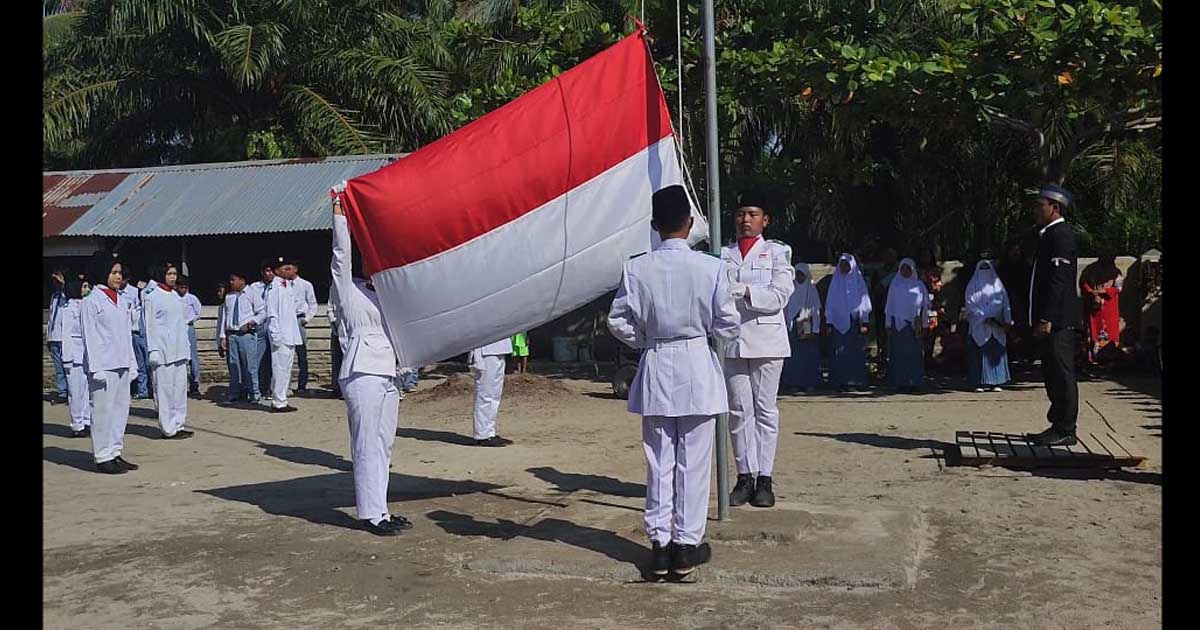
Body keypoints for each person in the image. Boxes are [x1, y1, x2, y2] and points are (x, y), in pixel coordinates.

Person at [607, 184, 740, 579]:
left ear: (654, 226)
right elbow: (729, 323)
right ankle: (686, 545)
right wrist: (707, 335)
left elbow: (617, 321)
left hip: (658, 363)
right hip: (697, 362)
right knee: (694, 462)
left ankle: (660, 545)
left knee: (659, 460)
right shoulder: (712, 267)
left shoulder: (637, 268)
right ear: (691, 222)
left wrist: (646, 339)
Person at [330, 186, 412, 536]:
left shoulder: (389, 292)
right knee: (365, 444)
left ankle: (382, 509)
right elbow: (340, 257)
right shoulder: (349, 290)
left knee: (384, 444)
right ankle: (369, 514)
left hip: (389, 373)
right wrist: (339, 213)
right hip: (362, 368)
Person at [720, 194, 794, 509]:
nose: (745, 220)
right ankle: (744, 475)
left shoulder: (777, 252)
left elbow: (780, 295)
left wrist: (748, 292)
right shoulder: (723, 254)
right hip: (734, 339)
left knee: (765, 410)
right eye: (740, 214)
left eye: (752, 213)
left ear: (765, 220)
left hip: (767, 340)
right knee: (738, 411)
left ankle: (765, 477)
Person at [1026, 184, 1082, 447]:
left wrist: (1047, 317)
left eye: (1041, 206)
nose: (1036, 210)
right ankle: (1057, 423)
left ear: (1055, 207)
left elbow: (1059, 281)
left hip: (1059, 319)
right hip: (1049, 319)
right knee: (1051, 371)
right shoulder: (1047, 235)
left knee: (1062, 372)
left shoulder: (1061, 235)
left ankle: (1066, 428)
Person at [79, 253, 139, 474]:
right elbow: (90, 337)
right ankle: (102, 455)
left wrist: (132, 363)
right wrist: (95, 368)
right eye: (113, 272)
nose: (117, 276)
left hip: (121, 361)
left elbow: (126, 334)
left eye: (119, 273)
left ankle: (115, 451)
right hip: (103, 365)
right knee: (103, 411)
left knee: (120, 410)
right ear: (102, 273)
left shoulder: (121, 300)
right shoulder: (91, 301)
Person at [142, 261, 194, 439]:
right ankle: (168, 427)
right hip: (163, 350)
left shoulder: (175, 295)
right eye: (169, 274)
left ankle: (179, 423)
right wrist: (153, 350)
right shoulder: (152, 296)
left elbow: (181, 324)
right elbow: (149, 325)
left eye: (174, 274)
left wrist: (186, 348)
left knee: (180, 389)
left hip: (179, 349)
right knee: (164, 390)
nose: (173, 277)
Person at [825, 253, 873, 390]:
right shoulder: (835, 281)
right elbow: (830, 301)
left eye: (847, 264)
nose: (844, 267)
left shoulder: (857, 281)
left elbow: (864, 301)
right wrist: (829, 321)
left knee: (854, 353)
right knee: (839, 353)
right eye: (842, 264)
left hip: (854, 322)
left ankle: (855, 381)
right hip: (837, 322)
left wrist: (864, 320)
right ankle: (839, 381)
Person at [964, 259, 1013, 392]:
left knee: (995, 352)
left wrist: (1006, 320)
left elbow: (1005, 304)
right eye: (982, 269)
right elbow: (970, 304)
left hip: (996, 326)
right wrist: (983, 317)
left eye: (987, 268)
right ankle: (979, 383)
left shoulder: (998, 286)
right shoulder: (972, 286)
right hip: (979, 326)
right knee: (979, 354)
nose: (985, 272)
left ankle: (996, 381)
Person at [218, 271, 266, 404]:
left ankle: (254, 393)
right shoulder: (229, 297)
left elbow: (262, 312)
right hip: (232, 334)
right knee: (234, 366)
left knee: (249, 365)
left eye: (233, 280)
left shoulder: (252, 294)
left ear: (242, 280)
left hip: (246, 334)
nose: (231, 283)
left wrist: (252, 323)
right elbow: (225, 318)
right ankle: (235, 393)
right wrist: (223, 336)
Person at [884, 258, 928, 392]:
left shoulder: (919, 285)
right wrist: (888, 324)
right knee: (899, 354)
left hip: (914, 326)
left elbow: (925, 305)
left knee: (914, 355)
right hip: (898, 325)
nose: (905, 271)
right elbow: (889, 305)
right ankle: (900, 382)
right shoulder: (895, 285)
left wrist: (924, 323)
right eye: (903, 268)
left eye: (908, 268)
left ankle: (914, 382)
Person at [266, 257, 303, 412]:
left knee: (286, 368)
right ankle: (278, 401)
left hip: (290, 333)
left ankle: (282, 398)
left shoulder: (287, 286)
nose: (288, 270)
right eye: (284, 267)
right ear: (276, 270)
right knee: (279, 368)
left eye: (289, 267)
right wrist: (275, 335)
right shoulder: (274, 288)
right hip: (280, 334)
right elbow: (272, 313)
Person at [781, 262, 823, 392]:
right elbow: (785, 308)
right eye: (797, 274)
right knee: (794, 356)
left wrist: (816, 328)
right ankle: (793, 382)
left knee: (808, 355)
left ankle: (809, 382)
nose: (800, 277)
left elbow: (816, 309)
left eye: (802, 274)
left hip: (807, 325)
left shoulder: (811, 289)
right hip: (793, 326)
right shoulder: (790, 289)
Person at [60, 279, 92, 437]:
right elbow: (66, 334)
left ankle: (87, 420)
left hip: (86, 355)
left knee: (87, 391)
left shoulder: (87, 304)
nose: (87, 289)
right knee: (75, 392)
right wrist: (67, 358)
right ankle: (77, 424)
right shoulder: (68, 308)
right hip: (73, 355)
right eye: (84, 286)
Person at [1080, 254, 1124, 366]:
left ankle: (1109, 358)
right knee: (1093, 331)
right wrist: (1091, 292)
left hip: (1109, 308)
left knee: (1110, 334)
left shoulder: (1116, 271)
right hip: (1094, 307)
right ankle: (1091, 358)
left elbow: (1118, 288)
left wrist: (1105, 291)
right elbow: (1083, 282)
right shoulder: (1090, 270)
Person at [470, 339, 514, 446]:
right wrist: (476, 356)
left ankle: (489, 432)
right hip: (485, 351)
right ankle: (482, 435)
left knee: (495, 395)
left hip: (499, 348)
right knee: (485, 393)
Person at [997, 240, 1033, 364]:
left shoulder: (1025, 267)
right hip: (1007, 303)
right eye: (1013, 250)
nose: (1015, 253)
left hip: (1023, 304)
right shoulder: (1003, 267)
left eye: (1018, 250)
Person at [119, 268, 152, 399]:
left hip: (143, 334)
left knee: (149, 364)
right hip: (130, 333)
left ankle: (150, 389)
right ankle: (141, 390)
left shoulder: (134, 293)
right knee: (139, 364)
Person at [249, 261, 276, 399]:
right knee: (258, 357)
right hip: (260, 324)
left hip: (274, 323)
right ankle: (258, 388)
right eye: (267, 271)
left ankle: (271, 388)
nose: (270, 274)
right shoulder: (254, 287)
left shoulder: (279, 286)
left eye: (272, 271)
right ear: (262, 272)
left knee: (273, 358)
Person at [292, 264, 318, 393]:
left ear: (296, 269)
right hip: (285, 319)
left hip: (298, 318)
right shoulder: (281, 285)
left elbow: (313, 304)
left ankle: (302, 384)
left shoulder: (305, 285)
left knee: (301, 354)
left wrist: (306, 319)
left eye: (289, 268)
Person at [176, 275, 204, 397]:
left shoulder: (192, 298)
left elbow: (198, 313)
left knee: (193, 356)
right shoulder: (173, 297)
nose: (183, 290)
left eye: (185, 288)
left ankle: (195, 382)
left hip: (188, 327)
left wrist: (188, 320)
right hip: (176, 329)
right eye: (180, 287)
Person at [46, 267, 70, 404]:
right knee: (59, 367)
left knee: (68, 367)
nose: (56, 283)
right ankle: (62, 392)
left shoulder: (68, 295)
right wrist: (49, 337)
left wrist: (64, 284)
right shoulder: (54, 297)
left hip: (64, 336)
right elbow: (50, 318)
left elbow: (69, 293)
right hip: (54, 337)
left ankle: (71, 391)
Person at [328, 283, 345, 399]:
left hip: (351, 326)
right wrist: (333, 321)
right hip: (337, 325)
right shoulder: (335, 286)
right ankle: (336, 386)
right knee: (337, 357)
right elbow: (330, 306)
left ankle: (346, 388)